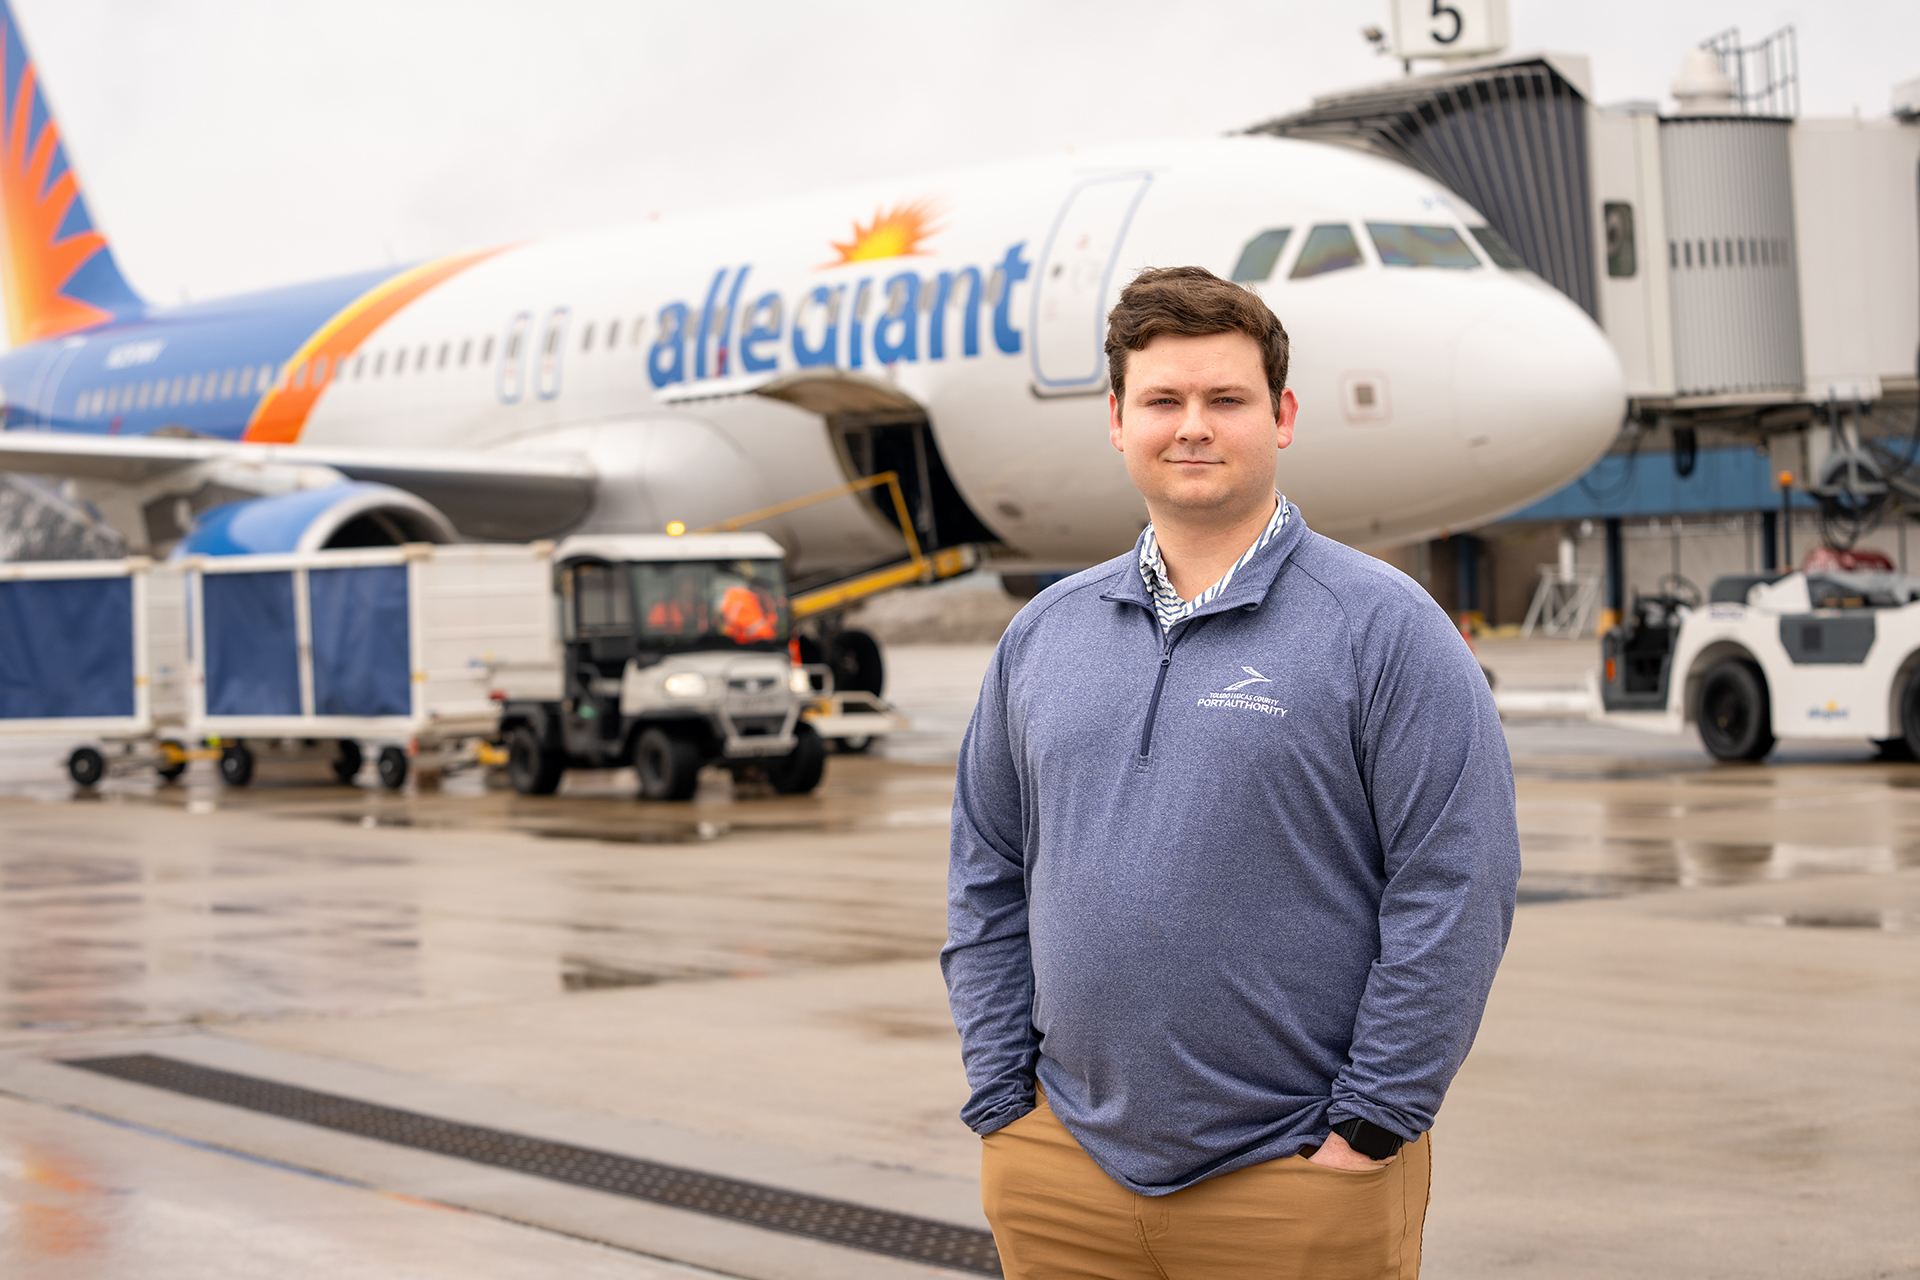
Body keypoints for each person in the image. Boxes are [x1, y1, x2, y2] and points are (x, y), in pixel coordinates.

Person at [941, 266, 1520, 1279]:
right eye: (1162, 400)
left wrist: (1375, 1120)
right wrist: (1002, 1095)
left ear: (1282, 415)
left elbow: (1458, 880)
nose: (1192, 426)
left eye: (1226, 399)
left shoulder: (1384, 628)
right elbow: (986, 868)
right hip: (1063, 1163)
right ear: (1117, 420)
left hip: (1293, 1173)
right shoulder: (1044, 633)